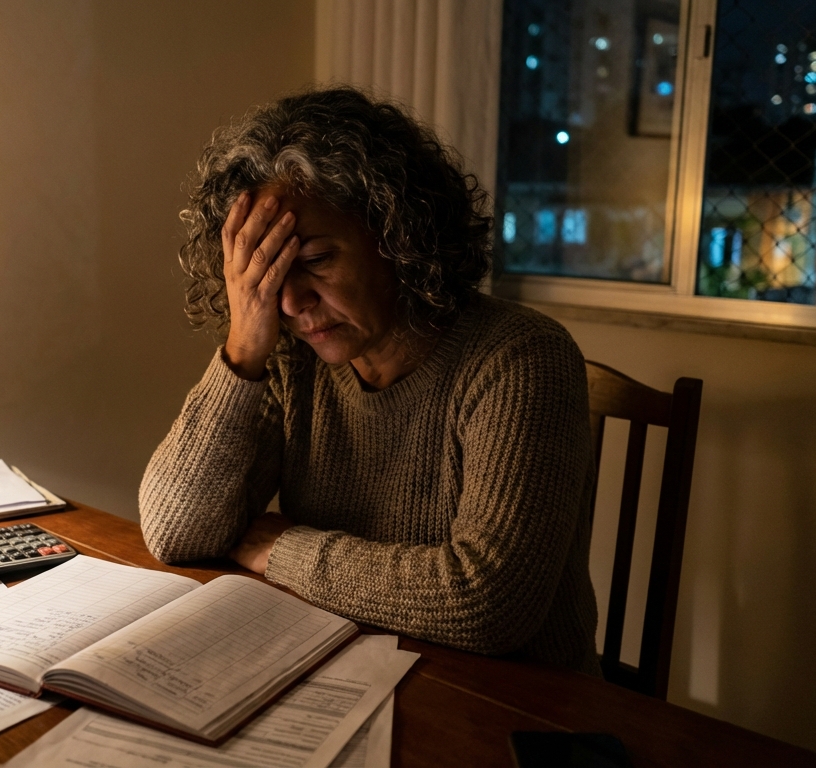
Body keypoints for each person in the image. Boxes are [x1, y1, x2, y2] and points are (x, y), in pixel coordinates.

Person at [139, 86, 599, 674]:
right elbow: (177, 531)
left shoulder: (522, 357)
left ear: (400, 235)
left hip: (516, 709)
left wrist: (279, 547)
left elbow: (486, 603)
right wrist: (245, 344)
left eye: (316, 260)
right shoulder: (292, 359)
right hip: (351, 672)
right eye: (267, 274)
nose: (292, 301)